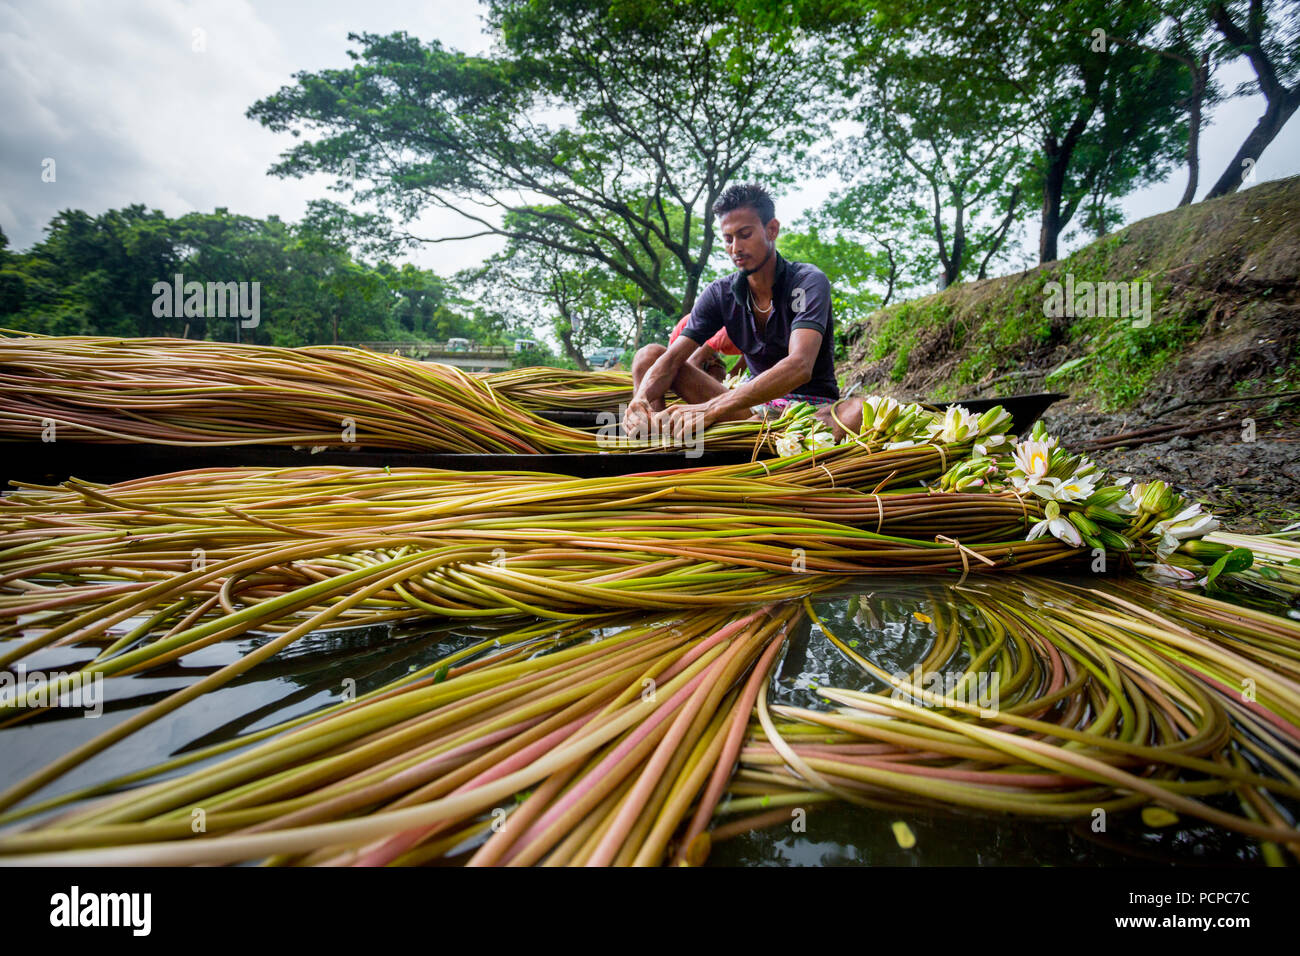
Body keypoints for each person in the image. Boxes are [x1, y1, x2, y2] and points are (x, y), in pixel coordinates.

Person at [625, 182, 863, 442]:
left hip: (807, 412)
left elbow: (800, 365)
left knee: (858, 411)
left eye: (745, 234)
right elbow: (673, 359)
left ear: (772, 230)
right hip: (748, 408)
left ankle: (751, 436)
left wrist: (711, 408)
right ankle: (657, 446)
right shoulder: (719, 294)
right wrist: (640, 399)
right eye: (728, 239)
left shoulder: (806, 282)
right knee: (648, 357)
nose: (735, 248)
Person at [667, 313, 740, 382]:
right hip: (682, 345)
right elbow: (693, 361)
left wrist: (731, 381)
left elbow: (736, 372)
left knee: (719, 375)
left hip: (705, 341)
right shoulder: (725, 334)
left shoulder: (748, 344)